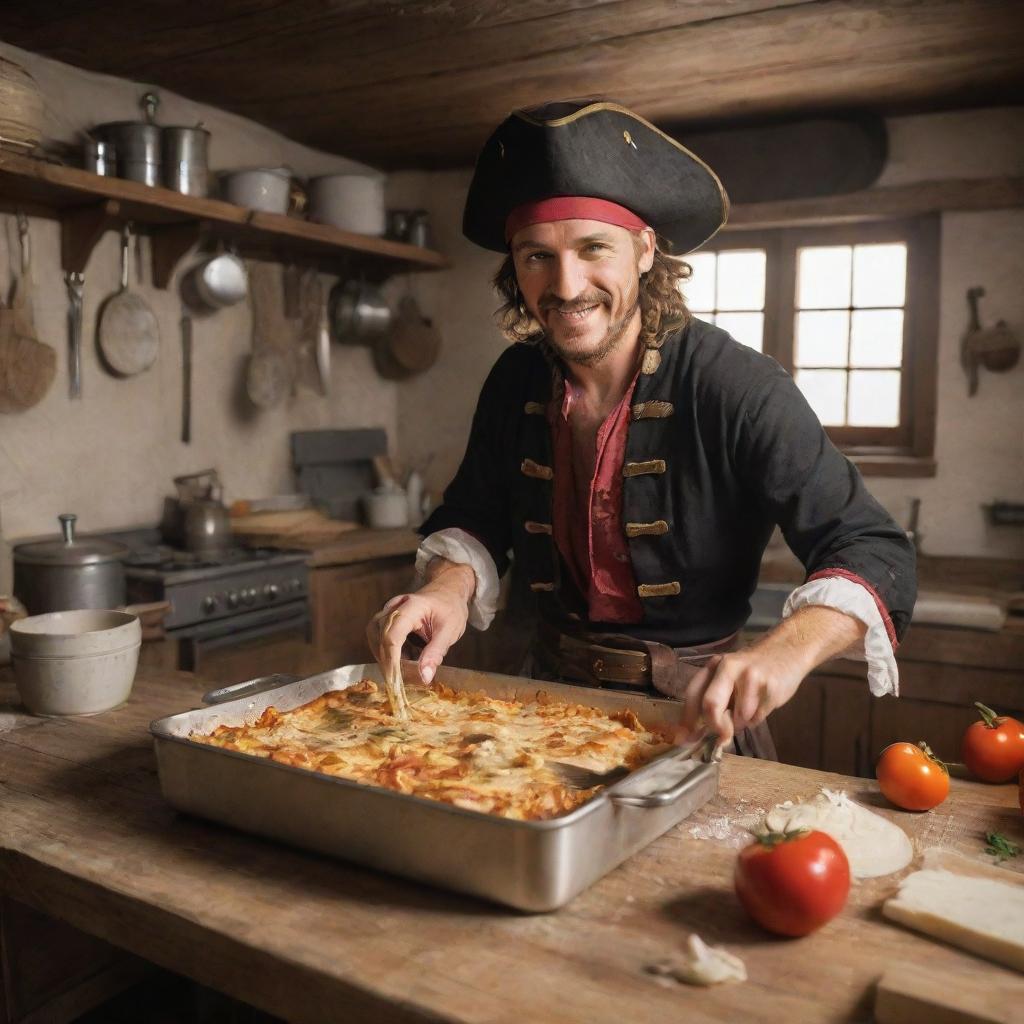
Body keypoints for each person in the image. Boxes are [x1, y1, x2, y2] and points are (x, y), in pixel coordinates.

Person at [368, 99, 916, 755]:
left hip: (694, 724)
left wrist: (779, 656)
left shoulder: (739, 387)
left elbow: (873, 549)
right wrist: (446, 590)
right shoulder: (515, 379)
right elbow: (477, 513)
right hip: (539, 714)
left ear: (646, 249)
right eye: (536, 256)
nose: (565, 286)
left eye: (593, 248)